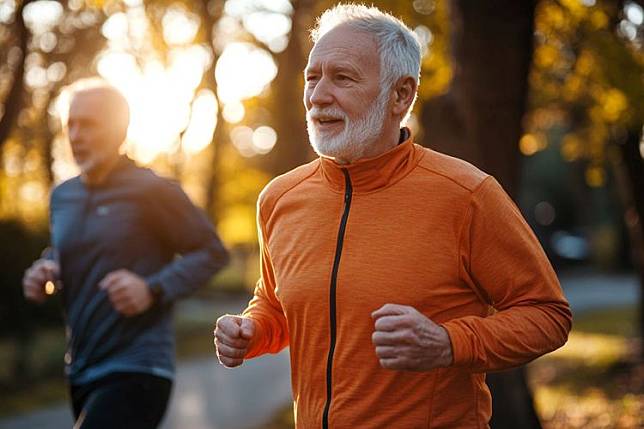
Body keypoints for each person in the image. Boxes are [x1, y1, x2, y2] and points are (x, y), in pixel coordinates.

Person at [214, 4, 571, 428]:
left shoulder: (467, 195)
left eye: (342, 77)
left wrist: (448, 343)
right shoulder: (279, 198)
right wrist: (251, 330)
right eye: (313, 77)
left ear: (400, 95)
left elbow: (547, 314)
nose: (318, 95)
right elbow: (276, 304)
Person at [23, 79, 229, 429]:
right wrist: (46, 269)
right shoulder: (63, 197)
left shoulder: (152, 190)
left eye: (88, 124)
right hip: (82, 368)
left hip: (140, 367)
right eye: (70, 124)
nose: (75, 135)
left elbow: (211, 252)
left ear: (119, 130)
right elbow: (66, 252)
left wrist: (152, 289)